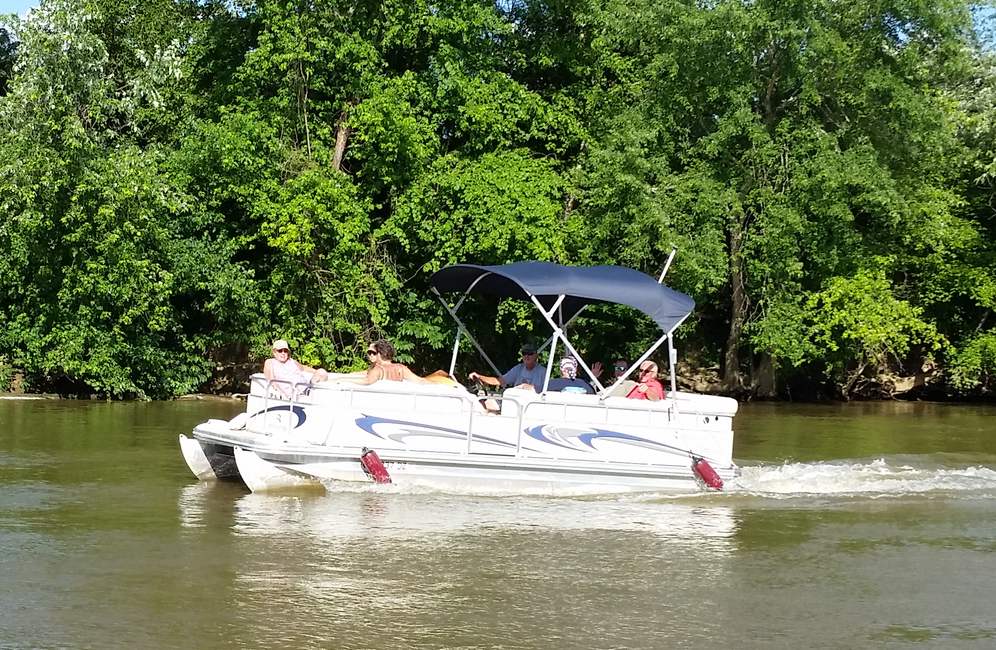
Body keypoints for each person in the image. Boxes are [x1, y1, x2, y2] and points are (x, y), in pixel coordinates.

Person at [469, 342, 548, 391]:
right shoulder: (519, 368)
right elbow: (499, 381)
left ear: (536, 356)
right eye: (524, 353)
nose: (527, 356)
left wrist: (526, 387)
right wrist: (480, 377)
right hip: (515, 402)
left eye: (530, 353)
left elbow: (545, 390)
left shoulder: (542, 371)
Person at [263, 339, 329, 397]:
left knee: (322, 372)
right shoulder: (270, 362)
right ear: (274, 352)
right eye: (280, 351)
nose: (283, 353)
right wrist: (281, 393)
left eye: (285, 351)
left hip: (306, 388)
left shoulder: (292, 361)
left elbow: (303, 368)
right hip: (293, 395)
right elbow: (271, 380)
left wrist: (317, 372)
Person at [349, 339, 428, 385]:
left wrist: (341, 380)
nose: (371, 355)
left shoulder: (378, 369)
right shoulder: (401, 368)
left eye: (374, 353)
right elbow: (420, 381)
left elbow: (367, 381)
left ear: (379, 354)